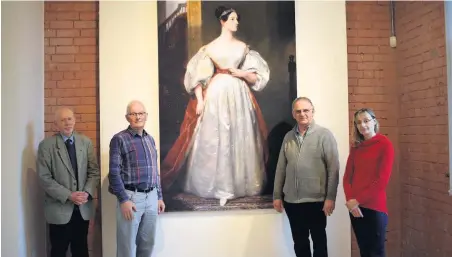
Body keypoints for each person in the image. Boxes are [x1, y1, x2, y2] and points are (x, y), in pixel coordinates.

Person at [160, 5, 270, 206]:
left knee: (239, 134)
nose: (236, 22)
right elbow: (198, 78)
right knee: (214, 136)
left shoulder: (243, 48)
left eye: (237, 19)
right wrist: (201, 101)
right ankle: (215, 184)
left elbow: (256, 77)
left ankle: (239, 184)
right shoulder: (209, 49)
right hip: (216, 94)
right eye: (233, 19)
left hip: (239, 95)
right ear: (223, 21)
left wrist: (242, 74)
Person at [273, 97, 340, 257]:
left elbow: (333, 169)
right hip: (292, 203)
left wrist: (330, 197)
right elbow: (281, 168)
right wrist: (277, 195)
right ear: (293, 114)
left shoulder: (324, 135)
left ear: (312, 112)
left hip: (316, 202)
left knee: (319, 243)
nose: (302, 114)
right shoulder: (288, 137)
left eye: (305, 110)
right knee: (300, 243)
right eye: (298, 111)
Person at [37, 107, 100, 257]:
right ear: (55, 124)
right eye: (62, 120)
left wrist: (87, 192)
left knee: (81, 250)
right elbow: (44, 178)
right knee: (58, 250)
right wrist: (69, 195)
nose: (67, 123)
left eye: (69, 119)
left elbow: (94, 171)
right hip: (59, 210)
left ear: (75, 120)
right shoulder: (46, 146)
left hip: (82, 209)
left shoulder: (85, 142)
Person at [108, 100, 166, 257]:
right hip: (131, 198)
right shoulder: (119, 139)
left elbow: (155, 171)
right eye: (134, 114)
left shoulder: (150, 139)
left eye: (141, 113)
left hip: (152, 198)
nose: (138, 117)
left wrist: (159, 197)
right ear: (127, 117)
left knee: (147, 245)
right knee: (127, 248)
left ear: (146, 116)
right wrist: (123, 200)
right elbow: (114, 173)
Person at [343, 108, 394, 257]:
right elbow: (347, 177)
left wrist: (357, 200)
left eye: (366, 121)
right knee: (364, 252)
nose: (363, 125)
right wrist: (350, 201)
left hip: (374, 208)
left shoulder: (385, 144)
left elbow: (382, 180)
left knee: (376, 253)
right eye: (358, 122)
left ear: (374, 122)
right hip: (355, 209)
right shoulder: (356, 147)